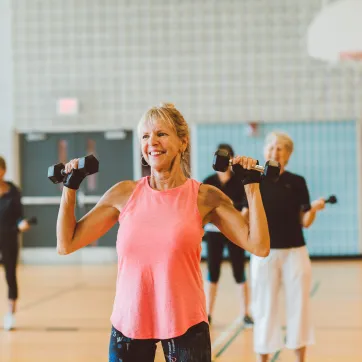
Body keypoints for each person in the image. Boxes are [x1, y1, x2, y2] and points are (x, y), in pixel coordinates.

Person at [56, 103, 270, 362]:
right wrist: (70, 188)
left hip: (186, 325)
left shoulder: (204, 197)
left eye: (161, 134)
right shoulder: (123, 194)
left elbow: (259, 245)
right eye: (145, 136)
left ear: (183, 141)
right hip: (129, 325)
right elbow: (66, 243)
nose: (152, 142)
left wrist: (251, 186)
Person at [242, 132, 326, 362]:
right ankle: (263, 358)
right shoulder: (253, 179)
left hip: (295, 253)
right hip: (263, 253)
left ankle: (301, 358)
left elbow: (304, 222)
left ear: (288, 154)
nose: (274, 151)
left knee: (299, 306)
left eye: (280, 148)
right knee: (264, 308)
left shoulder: (297, 181)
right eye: (270, 146)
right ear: (264, 150)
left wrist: (314, 210)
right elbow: (244, 217)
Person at [203, 143, 254, 326]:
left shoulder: (240, 181)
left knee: (239, 271)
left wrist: (238, 223)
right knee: (212, 272)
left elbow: (247, 206)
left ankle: (246, 313)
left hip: (234, 232)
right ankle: (207, 313)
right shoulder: (208, 182)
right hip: (213, 234)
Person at [0, 156, 31, 331]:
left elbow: (20, 215)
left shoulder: (13, 191)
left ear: (3, 170)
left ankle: (10, 315)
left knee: (10, 276)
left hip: (9, 239)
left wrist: (22, 224)